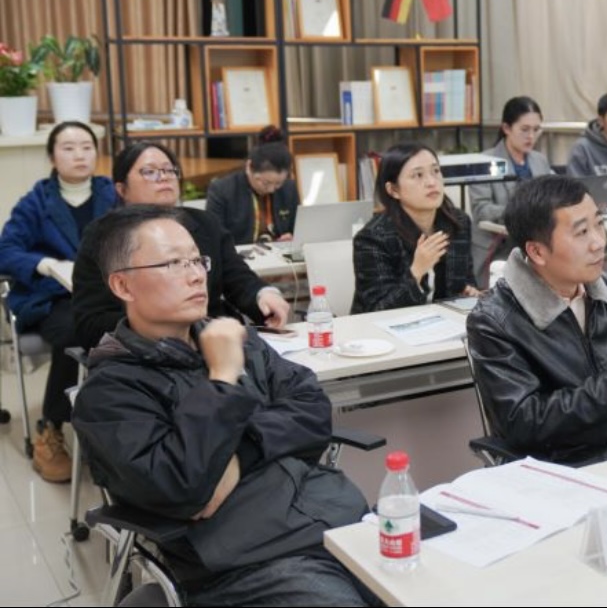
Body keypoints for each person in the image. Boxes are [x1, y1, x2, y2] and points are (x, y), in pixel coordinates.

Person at [71, 205, 377, 606]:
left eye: (197, 260)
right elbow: (183, 487)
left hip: (338, 520)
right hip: (251, 561)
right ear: (123, 286)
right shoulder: (111, 392)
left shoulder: (236, 339)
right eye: (172, 263)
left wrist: (239, 452)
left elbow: (312, 408)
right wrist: (221, 379)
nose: (196, 275)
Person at [466, 175, 607, 466]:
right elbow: (524, 424)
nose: (598, 242)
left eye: (598, 224)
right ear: (537, 251)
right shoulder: (495, 320)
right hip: (558, 471)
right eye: (581, 232)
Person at [72, 142, 290, 352]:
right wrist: (168, 326)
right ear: (122, 189)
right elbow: (90, 322)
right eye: (149, 172)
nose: (164, 176)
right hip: (147, 352)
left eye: (169, 169)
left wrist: (263, 295)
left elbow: (238, 278)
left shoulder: (205, 223)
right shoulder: (103, 236)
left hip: (217, 340)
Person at [0, 122, 116, 482]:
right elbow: (6, 250)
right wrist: (45, 264)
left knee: (134, 327)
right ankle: (51, 427)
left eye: (86, 146)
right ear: (52, 157)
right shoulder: (36, 201)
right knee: (75, 332)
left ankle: (118, 419)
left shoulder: (113, 193)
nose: (79, 154)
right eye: (68, 147)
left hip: (108, 291)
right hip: (53, 296)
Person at [351, 142, 477, 313]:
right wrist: (417, 271)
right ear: (393, 190)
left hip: (444, 323)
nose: (431, 182)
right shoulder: (373, 238)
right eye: (418, 175)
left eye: (435, 171)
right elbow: (378, 310)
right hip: (384, 327)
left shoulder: (458, 223)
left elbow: (466, 281)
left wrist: (469, 292)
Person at [469, 96, 553, 286]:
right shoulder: (485, 161)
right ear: (506, 128)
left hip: (534, 240)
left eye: (536, 129)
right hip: (498, 244)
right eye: (525, 129)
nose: (531, 136)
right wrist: (519, 212)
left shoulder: (539, 160)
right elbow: (481, 210)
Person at [206, 125, 299, 245]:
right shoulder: (222, 190)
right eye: (265, 183)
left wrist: (291, 237)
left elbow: (297, 227)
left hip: (280, 253)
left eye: (278, 184)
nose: (271, 189)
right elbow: (214, 235)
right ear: (249, 167)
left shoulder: (289, 188)